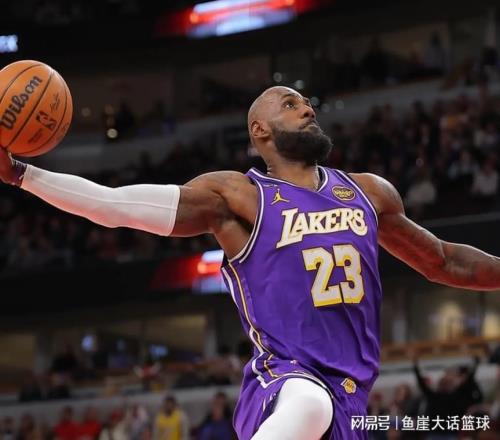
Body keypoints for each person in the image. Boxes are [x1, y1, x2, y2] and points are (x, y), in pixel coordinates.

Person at [2, 86, 500, 439]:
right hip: (282, 380)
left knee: (320, 408)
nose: (307, 108)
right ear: (260, 130)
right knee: (309, 403)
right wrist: (22, 173)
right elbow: (114, 205)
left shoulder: (368, 192)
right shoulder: (239, 196)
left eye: (306, 103)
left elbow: (444, 261)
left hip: (351, 400)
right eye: (290, 104)